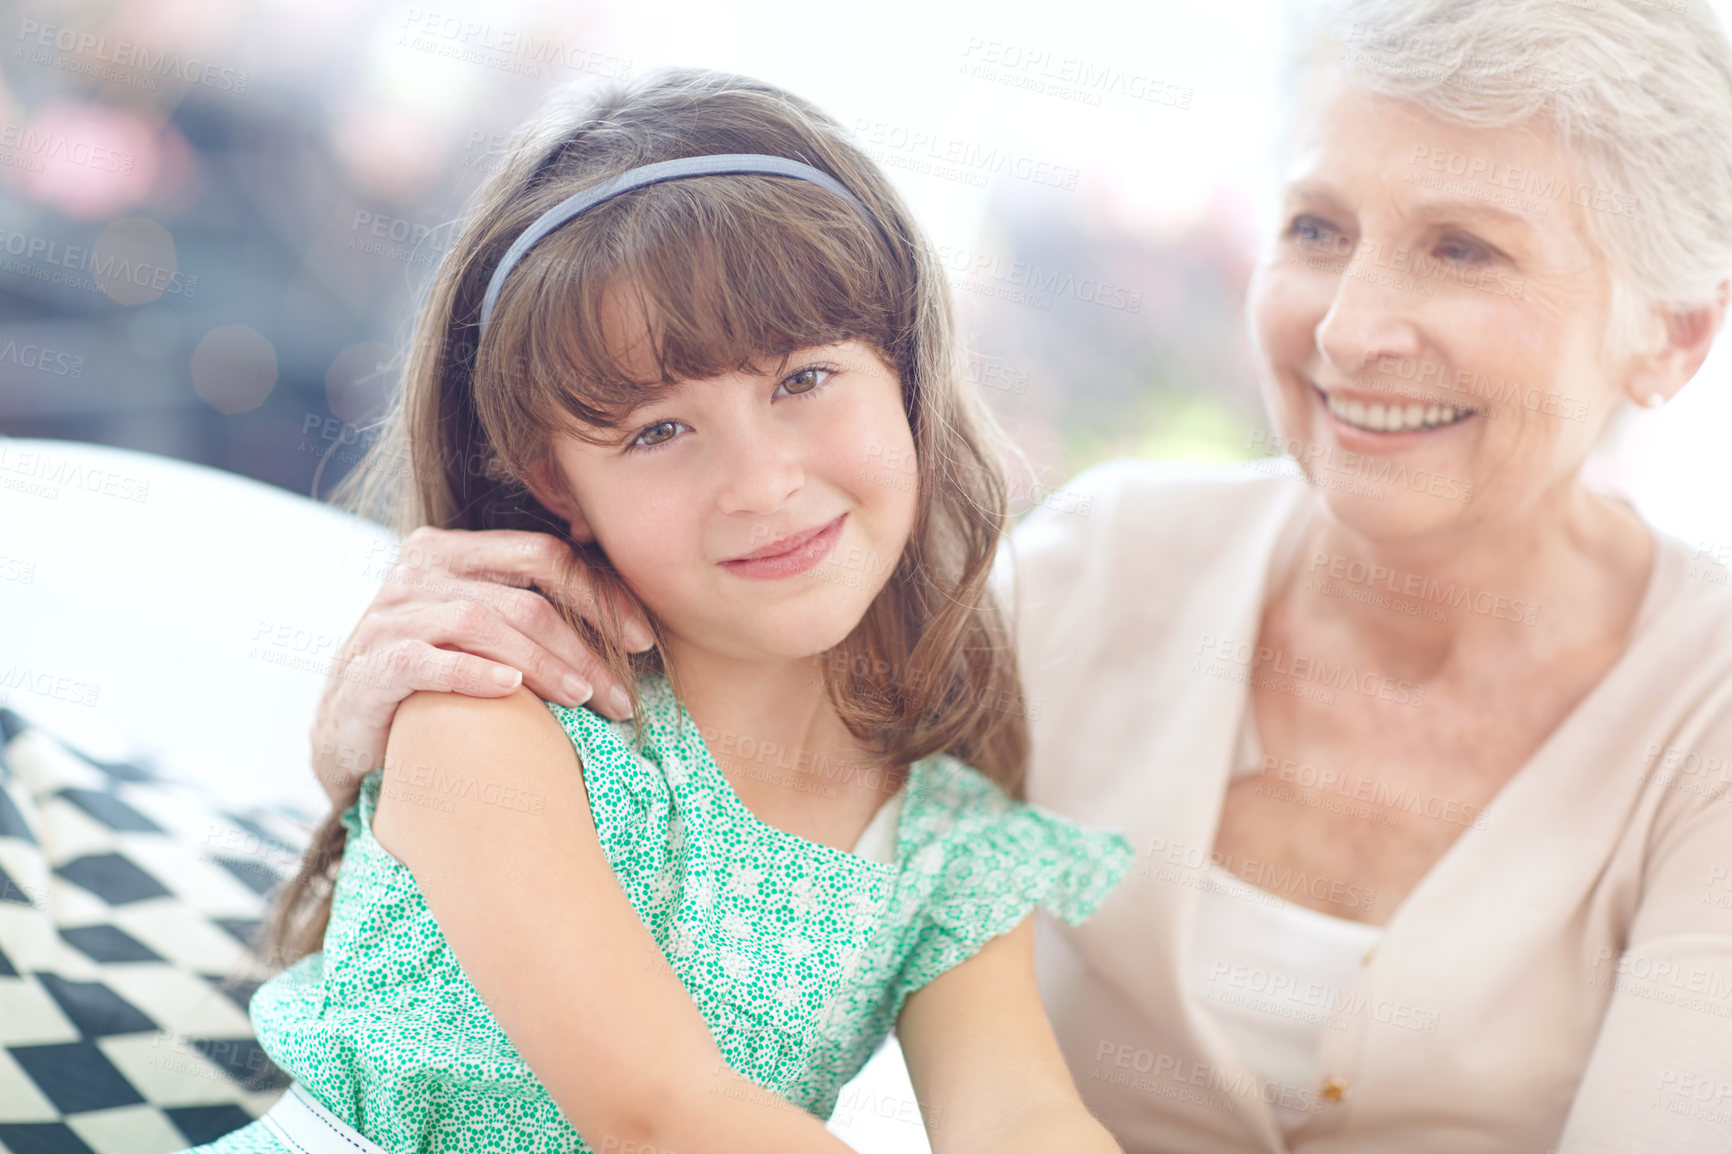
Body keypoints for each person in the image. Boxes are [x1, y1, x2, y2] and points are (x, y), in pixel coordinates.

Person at [306, 1, 1732, 1150]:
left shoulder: (1703, 715)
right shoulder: (1094, 581)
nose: (1353, 329)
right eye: (1316, 229)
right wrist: (364, 736)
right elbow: (781, 657)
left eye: (1464, 249)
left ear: (1671, 334)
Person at [183, 67, 1133, 1154]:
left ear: (907, 375)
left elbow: (1020, 1114)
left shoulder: (949, 838)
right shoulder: (496, 711)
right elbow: (659, 1115)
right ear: (555, 484)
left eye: (804, 379)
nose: (761, 481)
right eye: (656, 432)